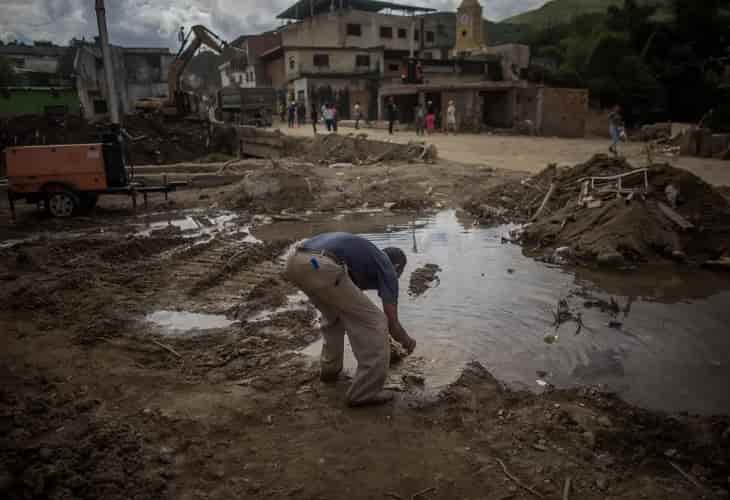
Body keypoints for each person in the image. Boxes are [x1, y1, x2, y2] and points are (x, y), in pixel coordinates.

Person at [284, 233, 416, 406]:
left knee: (334, 317)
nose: (396, 277)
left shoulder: (361, 260)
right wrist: (407, 342)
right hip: (321, 264)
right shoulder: (387, 267)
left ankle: (330, 371)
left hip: (295, 261)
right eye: (400, 273)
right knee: (376, 322)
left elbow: (351, 309)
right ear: (397, 266)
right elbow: (391, 323)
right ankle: (363, 393)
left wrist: (387, 347)